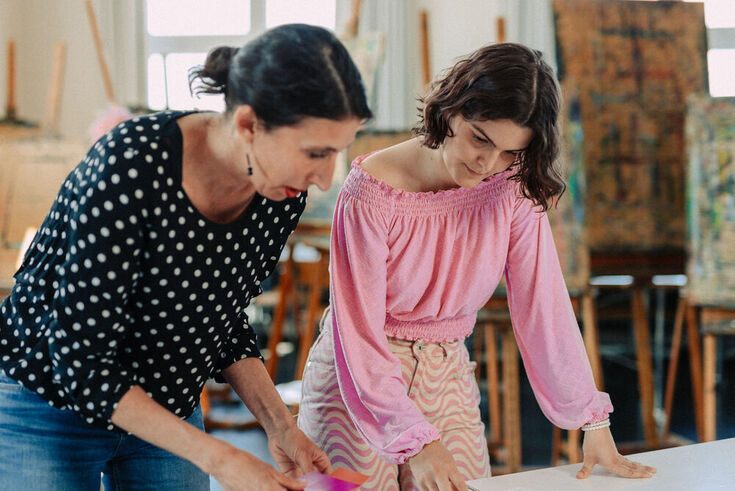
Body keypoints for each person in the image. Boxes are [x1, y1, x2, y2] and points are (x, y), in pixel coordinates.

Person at [0, 24, 371, 491]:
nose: (323, 178)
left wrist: (281, 427)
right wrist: (222, 458)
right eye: (315, 152)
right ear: (248, 124)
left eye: (335, 153)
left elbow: (222, 317)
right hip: (49, 398)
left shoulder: (280, 191)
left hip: (165, 404)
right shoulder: (131, 164)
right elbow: (81, 363)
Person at [297, 42, 657, 490]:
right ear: (451, 111)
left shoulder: (510, 188)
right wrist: (415, 441)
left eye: (510, 153)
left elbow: (543, 306)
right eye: (480, 138)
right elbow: (359, 334)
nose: (487, 163)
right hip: (355, 384)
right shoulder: (370, 193)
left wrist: (592, 421)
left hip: (446, 374)